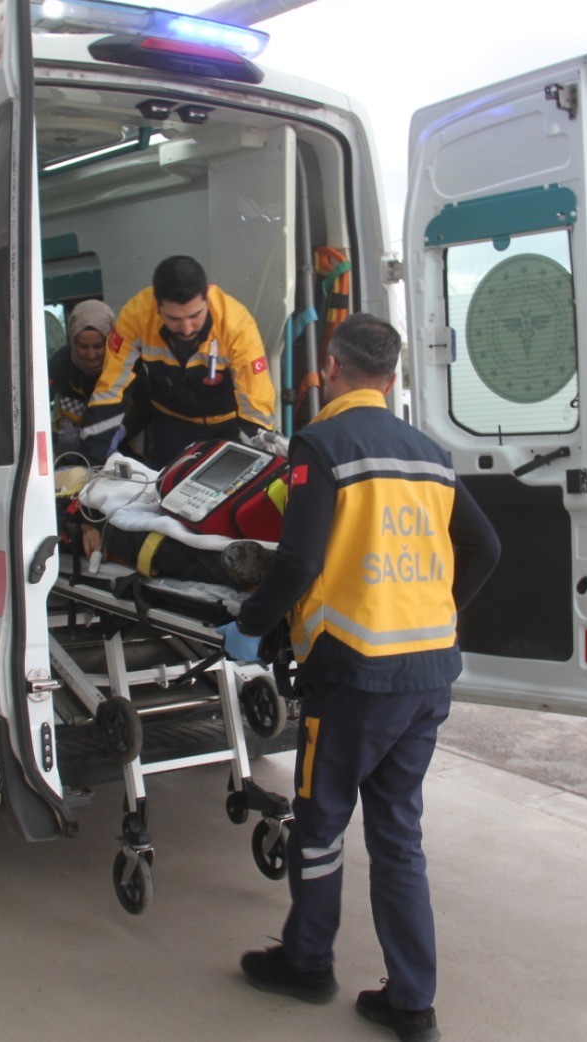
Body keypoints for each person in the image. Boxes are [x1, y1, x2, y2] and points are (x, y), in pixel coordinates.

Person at [219, 314, 500, 1042]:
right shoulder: (430, 454)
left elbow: (299, 560)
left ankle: (307, 962)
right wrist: (437, 608)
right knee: (399, 835)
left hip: (353, 674)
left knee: (320, 823)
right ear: (393, 377)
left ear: (332, 369)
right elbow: (486, 545)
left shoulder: (322, 445)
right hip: (427, 673)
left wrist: (251, 622)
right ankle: (412, 1002)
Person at [80, 255, 277, 469]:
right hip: (171, 424)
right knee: (164, 485)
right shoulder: (136, 316)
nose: (187, 328)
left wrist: (254, 460)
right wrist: (91, 459)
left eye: (195, 315)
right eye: (174, 318)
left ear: (207, 299)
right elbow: (111, 390)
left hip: (227, 424)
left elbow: (256, 407)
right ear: (157, 306)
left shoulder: (236, 325)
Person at [48, 299, 114, 456]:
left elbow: (142, 407)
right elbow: (36, 405)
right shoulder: (60, 363)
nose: (91, 355)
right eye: (83, 346)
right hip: (71, 454)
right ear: (72, 341)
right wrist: (56, 438)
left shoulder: (124, 362)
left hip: (119, 453)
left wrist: (124, 430)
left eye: (98, 346)